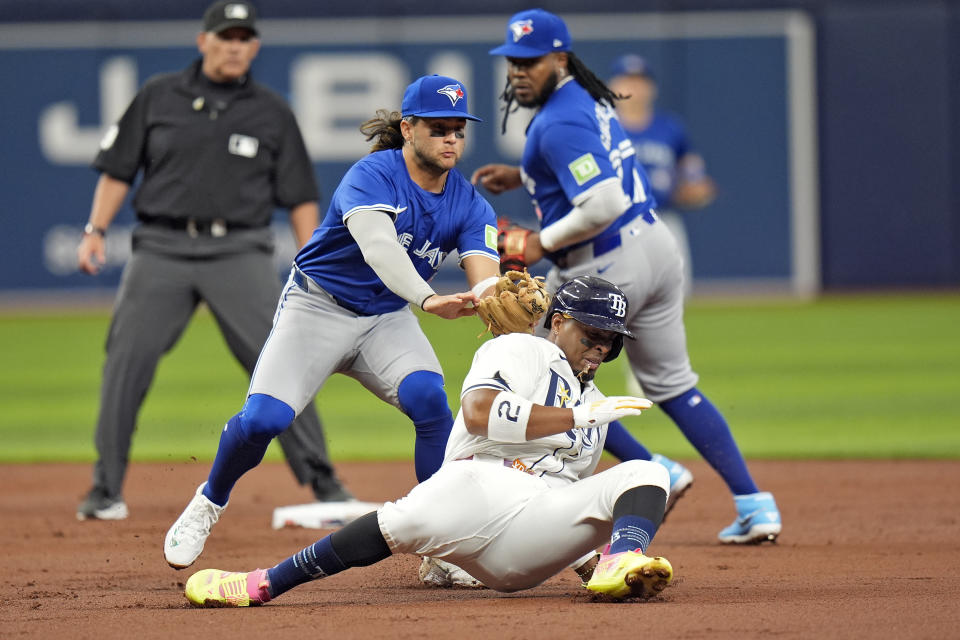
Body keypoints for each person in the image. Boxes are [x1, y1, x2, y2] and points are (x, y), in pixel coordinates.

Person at [163, 73, 505, 570]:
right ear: (408, 129)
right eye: (438, 127)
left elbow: (485, 278)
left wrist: (495, 298)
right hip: (317, 307)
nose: (451, 138)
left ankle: (438, 546)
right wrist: (429, 300)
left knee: (430, 401)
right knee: (264, 420)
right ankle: (209, 500)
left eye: (458, 128)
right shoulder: (371, 175)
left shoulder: (470, 203)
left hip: (385, 317)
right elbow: (380, 249)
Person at [471, 9, 781, 544]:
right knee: (674, 385)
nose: (518, 72)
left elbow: (604, 199)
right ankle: (755, 503)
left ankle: (654, 467)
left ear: (560, 59)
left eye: (531, 61)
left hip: (607, 257)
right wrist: (525, 175)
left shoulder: (557, 120)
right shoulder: (583, 99)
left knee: (553, 372)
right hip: (655, 246)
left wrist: (540, 242)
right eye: (513, 62)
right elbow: (600, 173)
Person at [181, 276, 674, 606]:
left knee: (649, 472)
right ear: (560, 322)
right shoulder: (518, 349)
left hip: (521, 551)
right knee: (401, 519)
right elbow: (480, 416)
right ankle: (261, 584)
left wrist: (583, 556)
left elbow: (569, 492)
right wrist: (578, 414)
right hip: (476, 488)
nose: (601, 348)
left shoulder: (602, 408)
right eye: (592, 334)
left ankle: (619, 560)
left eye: (611, 341)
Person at [74, 1, 354, 522]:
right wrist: (95, 230)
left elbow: (299, 195)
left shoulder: (271, 110)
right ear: (203, 41)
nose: (234, 46)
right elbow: (117, 168)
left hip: (239, 250)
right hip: (161, 248)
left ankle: (324, 481)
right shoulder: (159, 95)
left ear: (255, 47)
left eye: (244, 38)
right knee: (125, 363)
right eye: (225, 36)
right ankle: (104, 490)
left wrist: (314, 258)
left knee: (282, 363)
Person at [608, 54, 717, 298]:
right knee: (616, 299)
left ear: (652, 88)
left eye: (640, 81)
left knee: (673, 298)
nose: (634, 87)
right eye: (626, 80)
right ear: (611, 87)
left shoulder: (670, 128)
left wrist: (694, 190)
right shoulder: (601, 128)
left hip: (662, 219)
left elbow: (694, 175)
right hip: (615, 224)